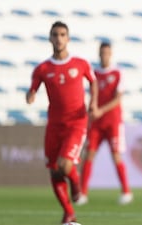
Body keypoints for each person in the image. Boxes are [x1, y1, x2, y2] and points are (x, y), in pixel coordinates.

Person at [26, 21, 98, 224]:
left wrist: (93, 102)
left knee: (65, 164)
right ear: (50, 38)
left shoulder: (80, 64)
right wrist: (30, 95)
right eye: (55, 34)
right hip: (54, 125)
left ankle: (76, 187)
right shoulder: (42, 68)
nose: (59, 38)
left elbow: (93, 82)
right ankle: (69, 214)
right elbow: (32, 89)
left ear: (68, 38)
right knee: (54, 170)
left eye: (62, 34)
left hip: (76, 122)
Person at [76, 42, 133, 205]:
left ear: (111, 54)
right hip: (96, 122)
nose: (104, 56)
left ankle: (126, 192)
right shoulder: (93, 73)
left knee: (116, 156)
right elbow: (91, 94)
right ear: (99, 53)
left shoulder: (117, 72)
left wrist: (101, 110)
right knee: (89, 154)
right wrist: (92, 108)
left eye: (107, 53)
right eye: (102, 53)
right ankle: (83, 193)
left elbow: (118, 98)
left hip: (113, 122)